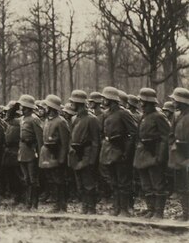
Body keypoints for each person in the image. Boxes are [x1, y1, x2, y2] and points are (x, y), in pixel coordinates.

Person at [99, 86, 138, 216]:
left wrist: (127, 152)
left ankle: (124, 209)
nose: (103, 100)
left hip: (121, 151)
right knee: (114, 182)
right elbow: (102, 133)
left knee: (123, 182)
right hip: (109, 152)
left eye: (105, 98)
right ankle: (116, 208)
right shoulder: (105, 113)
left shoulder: (124, 113)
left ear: (111, 99)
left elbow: (133, 132)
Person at [133, 88, 170, 218]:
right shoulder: (144, 116)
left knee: (157, 184)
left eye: (143, 102)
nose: (141, 104)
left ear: (150, 102)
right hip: (143, 154)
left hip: (154, 154)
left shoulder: (159, 116)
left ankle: (159, 212)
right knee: (146, 184)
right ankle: (151, 209)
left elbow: (166, 138)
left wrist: (160, 156)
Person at [67, 90, 101, 214]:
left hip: (87, 154)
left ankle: (91, 208)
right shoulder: (74, 118)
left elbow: (96, 141)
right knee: (80, 183)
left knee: (89, 183)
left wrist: (92, 159)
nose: (71, 105)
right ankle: (84, 207)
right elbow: (71, 136)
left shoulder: (92, 119)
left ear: (79, 103)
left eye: (73, 103)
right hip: (76, 154)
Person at [38, 95, 71, 212]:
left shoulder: (61, 122)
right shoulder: (48, 120)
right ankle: (56, 203)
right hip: (47, 154)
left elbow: (65, 142)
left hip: (56, 155)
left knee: (59, 181)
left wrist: (62, 158)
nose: (44, 108)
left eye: (46, 106)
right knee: (51, 180)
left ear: (51, 107)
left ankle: (61, 205)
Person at [18, 95, 43, 209]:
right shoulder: (22, 119)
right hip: (22, 152)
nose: (21, 108)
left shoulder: (34, 119)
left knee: (33, 179)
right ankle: (28, 203)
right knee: (26, 179)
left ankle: (34, 204)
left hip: (31, 152)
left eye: (23, 106)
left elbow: (39, 138)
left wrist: (40, 154)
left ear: (28, 107)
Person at [168, 87, 189, 221]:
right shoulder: (177, 116)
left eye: (175, 100)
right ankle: (186, 212)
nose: (173, 102)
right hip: (179, 156)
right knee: (181, 186)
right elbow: (170, 134)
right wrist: (174, 145)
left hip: (187, 156)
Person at [1, 101, 22, 203]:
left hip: (16, 151)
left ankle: (19, 197)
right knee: (9, 175)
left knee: (17, 175)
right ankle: (12, 195)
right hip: (8, 152)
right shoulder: (8, 122)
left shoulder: (19, 122)